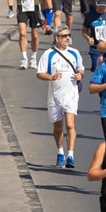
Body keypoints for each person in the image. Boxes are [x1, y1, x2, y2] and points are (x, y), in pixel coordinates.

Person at [36, 27, 85, 169]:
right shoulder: (48, 54)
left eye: (69, 35)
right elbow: (39, 74)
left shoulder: (75, 53)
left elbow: (81, 68)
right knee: (57, 127)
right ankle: (60, 152)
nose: (68, 38)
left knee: (70, 125)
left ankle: (70, 155)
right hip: (55, 96)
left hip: (71, 94)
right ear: (57, 38)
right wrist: (51, 77)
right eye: (64, 36)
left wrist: (80, 75)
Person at [14, 0, 46, 69]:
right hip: (22, 5)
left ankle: (33, 57)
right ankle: (24, 58)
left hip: (34, 5)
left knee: (35, 34)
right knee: (22, 33)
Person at [82, 0, 106, 72]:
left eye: (104, 5)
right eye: (100, 5)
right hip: (96, 49)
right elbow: (84, 30)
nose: (102, 7)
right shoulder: (90, 15)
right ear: (96, 3)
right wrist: (88, 38)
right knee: (97, 72)